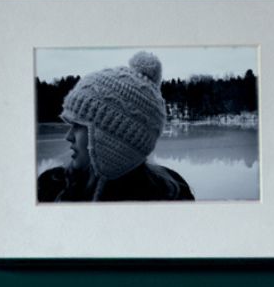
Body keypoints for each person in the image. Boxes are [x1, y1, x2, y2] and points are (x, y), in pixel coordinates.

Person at [37, 53, 194, 202]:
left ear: (115, 138)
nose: (68, 136)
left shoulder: (171, 193)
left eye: (78, 125)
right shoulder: (50, 186)